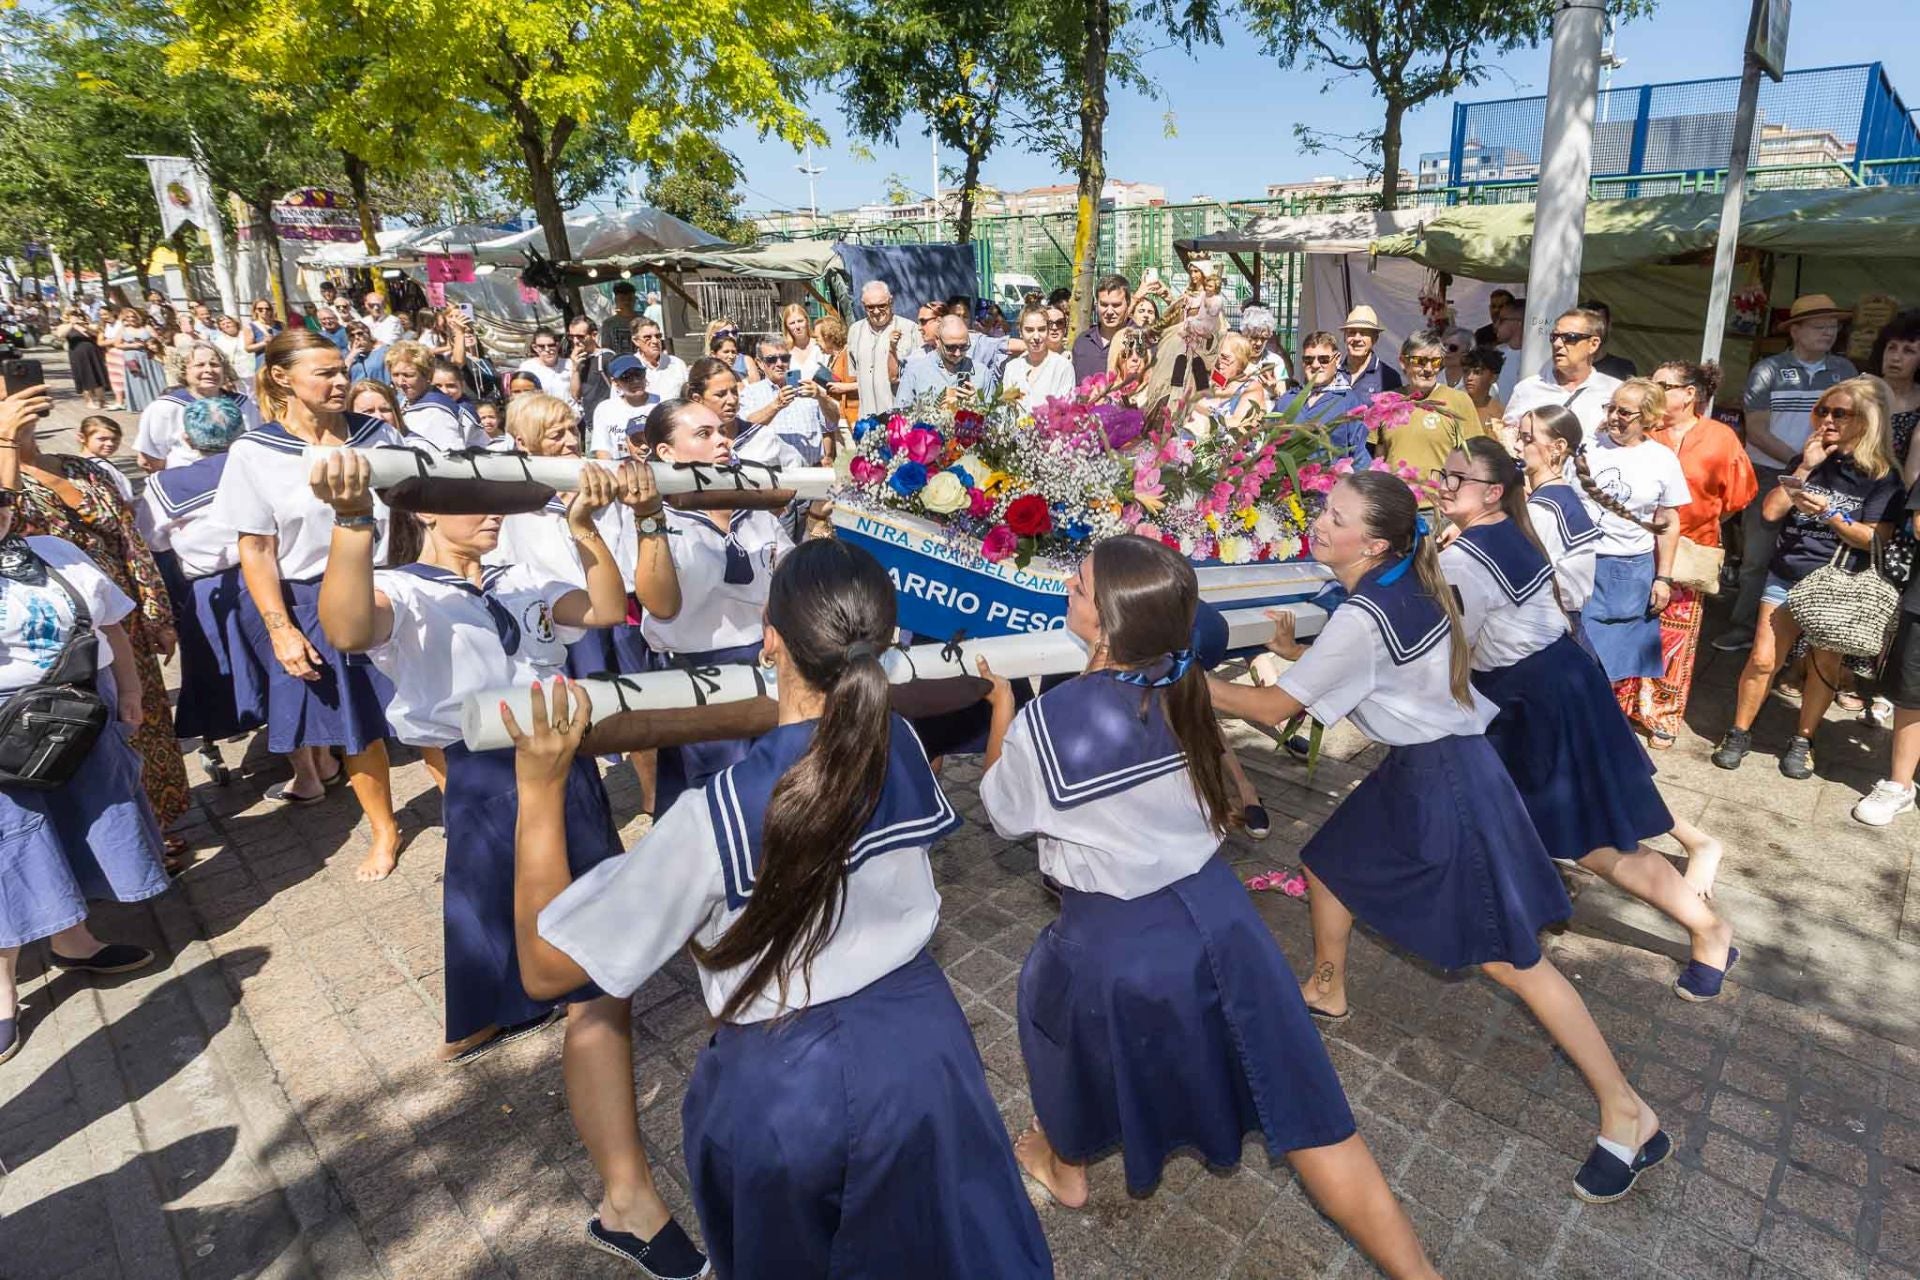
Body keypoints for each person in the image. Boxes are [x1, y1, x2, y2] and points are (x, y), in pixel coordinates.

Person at [508, 540, 1051, 1277]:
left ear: (770, 637)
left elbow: (546, 972)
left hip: (789, 1086)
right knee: (933, 1245)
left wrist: (539, 791)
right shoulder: (899, 742)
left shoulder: (715, 815)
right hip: (925, 1047)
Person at [974, 537, 1440, 1277]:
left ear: (1112, 622)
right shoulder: (1185, 688)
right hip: (1223, 918)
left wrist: (1004, 710)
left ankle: (1066, 1166)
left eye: (1084, 585)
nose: (1070, 585)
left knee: (1053, 1018)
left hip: (1117, 939)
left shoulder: (1051, 720)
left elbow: (1003, 811)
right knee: (1308, 1109)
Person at [1206, 470, 1668, 1204]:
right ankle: (1326, 987)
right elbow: (1378, 675)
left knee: (1512, 961)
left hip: (1447, 783)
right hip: (1431, 767)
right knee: (1328, 863)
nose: (1319, 523)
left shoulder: (1366, 614)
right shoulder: (1407, 582)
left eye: (1335, 516)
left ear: (1375, 541)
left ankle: (1628, 1113)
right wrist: (1300, 656)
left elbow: (1270, 712)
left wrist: (1180, 678)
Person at [308, 452, 707, 1277]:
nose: (491, 515)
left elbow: (603, 608)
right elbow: (347, 630)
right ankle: (618, 1185)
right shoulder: (408, 592)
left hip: (569, 773)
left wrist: (585, 527)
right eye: (472, 502)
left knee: (585, 969)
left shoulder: (521, 582)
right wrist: (352, 522)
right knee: (551, 955)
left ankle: (615, 1173)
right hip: (491, 780)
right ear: (421, 510)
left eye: (498, 504)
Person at [1433, 440, 1736, 994]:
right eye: (1444, 475)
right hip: (1543, 688)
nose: (1444, 485)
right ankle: (1512, 911)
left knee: (1600, 843)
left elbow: (1450, 648)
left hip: (1538, 699)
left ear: (1494, 492)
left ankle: (1709, 929)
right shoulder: (1504, 530)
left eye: (1458, 478)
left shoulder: (1467, 553)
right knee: (1496, 812)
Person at [212, 331, 405, 882]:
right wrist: (280, 629)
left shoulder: (378, 434)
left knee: (429, 708)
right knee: (358, 725)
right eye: (324, 372)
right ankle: (384, 829)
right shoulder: (255, 453)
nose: (340, 380)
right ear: (282, 378)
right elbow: (257, 548)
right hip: (315, 597)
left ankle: (460, 811)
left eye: (341, 369)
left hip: (393, 585)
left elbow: (425, 506)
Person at [0, 475, 170, 1067]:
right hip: (1, 728)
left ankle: (72, 940)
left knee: (80, 828)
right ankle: (1, 994)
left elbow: (112, 627)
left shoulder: (52, 552)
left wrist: (129, 692)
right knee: (10, 849)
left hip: (76, 711)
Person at [0, 388, 190, 850]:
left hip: (122, 617)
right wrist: (4, 445)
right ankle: (122, 842)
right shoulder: (7, 488)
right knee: (92, 731)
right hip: (65, 635)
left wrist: (156, 612)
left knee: (144, 721)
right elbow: (8, 518)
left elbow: (131, 540)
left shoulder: (80, 466)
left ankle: (157, 829)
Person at [1713, 378, 1903, 779]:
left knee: (1823, 666)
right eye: (1822, 411)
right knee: (1764, 659)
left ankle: (1803, 739)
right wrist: (1805, 467)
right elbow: (1769, 512)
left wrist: (1830, 515)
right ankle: (1739, 731)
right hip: (1787, 573)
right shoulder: (1812, 459)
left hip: (1837, 582)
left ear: (1866, 420)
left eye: (1840, 413)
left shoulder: (1882, 477)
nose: (1827, 420)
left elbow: (1875, 539)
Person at [637, 399, 792, 816]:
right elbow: (662, 607)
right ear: (666, 453)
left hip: (768, 669)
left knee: (776, 799)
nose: (722, 440)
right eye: (703, 434)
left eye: (721, 431)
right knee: (716, 811)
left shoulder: (753, 507)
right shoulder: (655, 518)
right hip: (698, 678)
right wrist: (647, 518)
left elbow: (787, 575)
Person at [490, 393, 671, 693]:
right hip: (555, 622)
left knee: (637, 711)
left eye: (573, 430)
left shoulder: (609, 481)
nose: (571, 442)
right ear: (522, 443)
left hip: (622, 619)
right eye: (555, 435)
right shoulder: (513, 500)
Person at [1618, 362, 1757, 748]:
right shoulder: (1645, 432)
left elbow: (1738, 497)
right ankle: (1623, 705)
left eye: (1663, 385)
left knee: (1674, 635)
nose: (1655, 390)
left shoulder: (1720, 437)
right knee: (1629, 626)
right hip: (1636, 546)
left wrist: (1700, 522)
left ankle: (1662, 713)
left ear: (1690, 393)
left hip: (1689, 549)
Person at [1716, 295, 1862, 653]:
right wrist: (1801, 463)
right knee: (1757, 556)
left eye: (1833, 326)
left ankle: (1796, 640)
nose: (1829, 332)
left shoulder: (1845, 371)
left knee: (1810, 555)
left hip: (1824, 476)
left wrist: (1818, 466)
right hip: (1771, 473)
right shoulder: (1768, 370)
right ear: (1795, 330)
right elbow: (1758, 430)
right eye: (1819, 326)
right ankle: (1744, 626)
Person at [139, 396, 264, 781]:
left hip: (210, 588)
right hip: (269, 574)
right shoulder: (260, 466)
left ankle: (217, 733)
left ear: (188, 440)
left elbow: (152, 541)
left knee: (214, 666)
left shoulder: (164, 485)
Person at [1575, 379, 1690, 687]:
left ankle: (1600, 728)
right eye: (1610, 408)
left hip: (1624, 571)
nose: (1613, 417)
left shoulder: (1661, 459)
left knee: (1607, 666)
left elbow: (1669, 521)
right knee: (1570, 658)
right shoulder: (1586, 445)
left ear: (1649, 418)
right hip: (1576, 561)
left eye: (1624, 412)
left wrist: (1663, 578)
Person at [1374, 331, 1486, 502]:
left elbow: (1476, 458)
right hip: (1395, 506)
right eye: (1420, 361)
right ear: (1403, 362)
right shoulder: (1387, 401)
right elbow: (1377, 459)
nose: (1428, 369)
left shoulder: (1458, 401)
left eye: (1435, 362)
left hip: (1440, 508)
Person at [1503, 307, 1622, 440]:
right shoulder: (1527, 389)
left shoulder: (1615, 392)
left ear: (1593, 344)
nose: (1557, 344)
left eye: (1569, 337)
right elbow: (1508, 434)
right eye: (1554, 337)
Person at [737, 337, 839, 464]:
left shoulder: (808, 388)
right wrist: (776, 405)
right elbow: (744, 429)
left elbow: (832, 422)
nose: (779, 364)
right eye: (772, 359)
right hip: (772, 476)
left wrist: (821, 397)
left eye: (784, 358)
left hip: (810, 473)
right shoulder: (751, 393)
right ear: (760, 363)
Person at [386, 341, 486, 451]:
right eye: (395, 375)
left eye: (408, 375)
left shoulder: (437, 411)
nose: (400, 382)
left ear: (427, 374)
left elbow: (453, 458)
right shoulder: (409, 399)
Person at [846, 281, 918, 417]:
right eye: (870, 307)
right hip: (867, 419)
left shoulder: (910, 329)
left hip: (900, 419)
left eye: (882, 305)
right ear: (863, 306)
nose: (877, 311)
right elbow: (855, 374)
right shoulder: (855, 331)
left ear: (891, 302)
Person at [896, 315, 998, 408]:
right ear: (937, 341)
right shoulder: (915, 372)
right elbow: (900, 416)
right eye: (951, 347)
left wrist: (977, 406)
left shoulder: (982, 373)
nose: (957, 353)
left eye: (963, 347)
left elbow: (995, 419)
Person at [1187, 332, 1269, 438]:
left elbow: (1238, 425)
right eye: (1217, 356)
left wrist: (1202, 416)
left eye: (1225, 358)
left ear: (1241, 360)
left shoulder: (1252, 388)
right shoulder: (1213, 383)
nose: (1219, 362)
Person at [1000, 305, 1076, 405]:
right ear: (1020, 332)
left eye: (1041, 329)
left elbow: (1066, 411)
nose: (1036, 336)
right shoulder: (1012, 369)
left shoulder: (1062, 367)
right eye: (1029, 330)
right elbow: (1007, 408)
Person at [587, 357, 658, 460]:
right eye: (627, 376)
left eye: (639, 374)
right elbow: (603, 450)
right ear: (615, 382)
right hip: (620, 470)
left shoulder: (660, 405)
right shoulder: (604, 409)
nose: (635, 381)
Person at [1073, 274, 1135, 386]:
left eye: (1116, 305)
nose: (1109, 311)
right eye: (1104, 305)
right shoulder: (1082, 343)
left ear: (1128, 304)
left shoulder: (1141, 341)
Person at [1339, 305, 1402, 397]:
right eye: (1352, 332)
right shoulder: (1332, 373)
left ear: (1375, 338)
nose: (1357, 338)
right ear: (1345, 337)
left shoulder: (1388, 377)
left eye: (1363, 333)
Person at [55, 308, 111, 410]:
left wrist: (83, 325)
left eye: (79, 314)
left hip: (93, 352)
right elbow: (60, 335)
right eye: (73, 314)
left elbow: (96, 333)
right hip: (78, 354)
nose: (77, 316)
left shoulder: (89, 325)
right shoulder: (64, 326)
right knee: (84, 376)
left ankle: (102, 400)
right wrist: (72, 324)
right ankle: (89, 401)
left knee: (98, 374)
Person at [113, 306, 165, 413]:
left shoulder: (146, 328)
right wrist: (132, 346)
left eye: (133, 316)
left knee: (154, 378)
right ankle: (141, 404)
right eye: (128, 317)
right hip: (132, 358)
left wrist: (150, 343)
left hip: (148, 357)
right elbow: (117, 344)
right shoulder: (123, 330)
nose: (131, 319)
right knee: (138, 380)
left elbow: (157, 340)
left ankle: (159, 401)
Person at [566, 316, 616, 421]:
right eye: (571, 337)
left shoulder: (607, 358)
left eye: (580, 336)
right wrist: (575, 369)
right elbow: (575, 396)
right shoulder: (577, 360)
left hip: (608, 419)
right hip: (588, 420)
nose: (575, 341)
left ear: (593, 335)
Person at [812, 314, 859, 425]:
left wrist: (844, 387)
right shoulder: (832, 357)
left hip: (852, 418)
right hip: (837, 417)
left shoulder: (849, 353)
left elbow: (869, 382)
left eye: (817, 338)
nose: (816, 342)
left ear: (828, 336)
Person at [76, 417, 134, 504]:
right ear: (82, 437)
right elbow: (125, 499)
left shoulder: (76, 463)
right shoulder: (103, 467)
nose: (110, 444)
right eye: (102, 439)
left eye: (115, 439)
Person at [629, 318, 686, 401]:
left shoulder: (677, 364)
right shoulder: (629, 368)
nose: (655, 341)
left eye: (658, 336)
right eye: (647, 337)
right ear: (636, 341)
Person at [1583, 300, 1637, 380]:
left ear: (1609, 325)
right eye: (1587, 324)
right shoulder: (1565, 365)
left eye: (1600, 324)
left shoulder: (1623, 368)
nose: (1593, 329)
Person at [517, 328, 573, 403]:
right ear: (535, 348)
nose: (547, 349)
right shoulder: (527, 368)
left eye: (551, 345)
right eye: (542, 346)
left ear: (557, 345)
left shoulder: (569, 364)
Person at [1463, 345, 1508, 436]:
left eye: (1477, 372)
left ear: (1493, 378)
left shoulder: (1500, 414)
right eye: (1466, 371)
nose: (1469, 377)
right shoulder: (1453, 405)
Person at [1492, 297, 1528, 402]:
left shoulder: (1534, 357)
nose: (1496, 324)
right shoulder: (1497, 353)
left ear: (1519, 322)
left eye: (1502, 320)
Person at [778, 302, 823, 380]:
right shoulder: (785, 351)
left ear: (807, 321)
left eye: (800, 321)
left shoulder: (820, 346)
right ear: (786, 327)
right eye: (792, 323)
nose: (797, 326)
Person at [215, 314, 257, 396]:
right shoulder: (219, 341)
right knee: (243, 394)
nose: (227, 325)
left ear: (234, 323)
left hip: (253, 369)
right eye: (223, 324)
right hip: (236, 373)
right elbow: (220, 359)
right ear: (221, 328)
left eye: (229, 322)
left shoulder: (246, 334)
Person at [601, 280, 640, 357]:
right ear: (616, 300)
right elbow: (606, 350)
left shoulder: (644, 322)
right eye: (622, 299)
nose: (626, 302)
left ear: (635, 299)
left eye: (629, 299)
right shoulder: (608, 324)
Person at [345, 321, 388, 386]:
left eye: (360, 333)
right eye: (352, 335)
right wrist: (352, 356)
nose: (356, 337)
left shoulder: (383, 351)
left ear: (367, 333)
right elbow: (343, 375)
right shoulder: (347, 354)